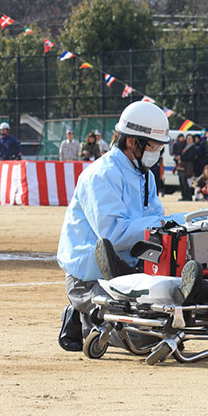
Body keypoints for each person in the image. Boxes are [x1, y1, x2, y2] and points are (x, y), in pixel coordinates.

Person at [56, 101, 173, 352]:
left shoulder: (145, 175)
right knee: (145, 338)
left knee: (168, 319)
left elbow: (156, 220)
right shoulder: (101, 174)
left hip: (130, 270)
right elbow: (113, 235)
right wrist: (160, 224)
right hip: (90, 276)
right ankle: (80, 312)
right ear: (133, 142)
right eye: (154, 146)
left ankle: (94, 314)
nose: (157, 152)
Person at [177, 133, 198, 201]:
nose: (189, 140)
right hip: (182, 166)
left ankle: (188, 197)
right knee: (181, 181)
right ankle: (183, 196)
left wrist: (181, 157)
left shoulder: (194, 147)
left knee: (187, 182)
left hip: (188, 167)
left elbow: (191, 157)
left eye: (190, 139)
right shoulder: (184, 146)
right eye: (188, 139)